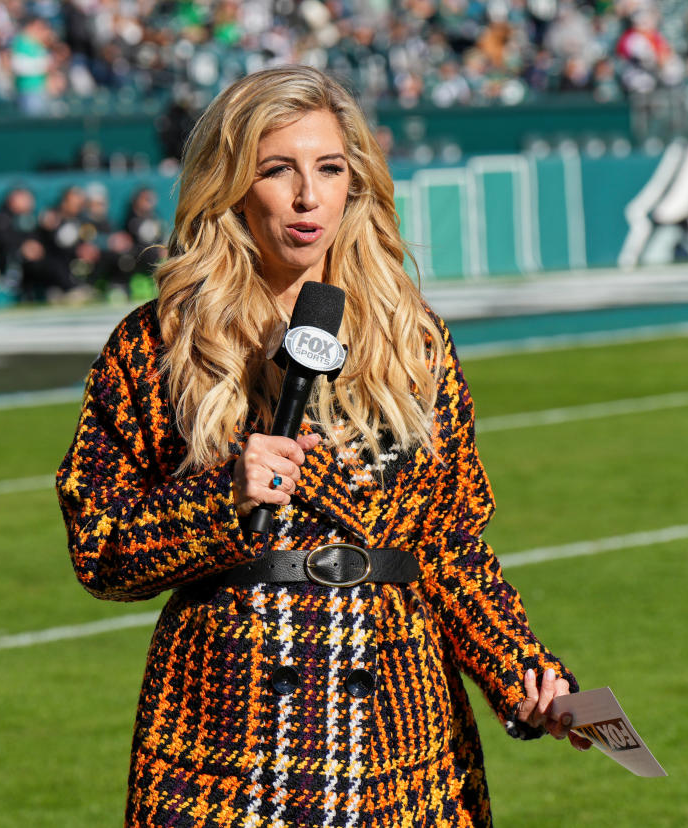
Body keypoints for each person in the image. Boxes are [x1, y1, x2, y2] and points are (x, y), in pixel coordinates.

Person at [56, 65, 588, 827]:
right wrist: (220, 496)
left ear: (356, 182)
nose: (309, 197)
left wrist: (526, 677)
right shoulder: (158, 344)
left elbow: (447, 542)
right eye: (278, 170)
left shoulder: (414, 338)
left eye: (329, 169)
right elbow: (99, 550)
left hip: (401, 730)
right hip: (225, 733)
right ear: (232, 185)